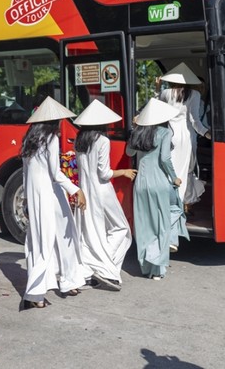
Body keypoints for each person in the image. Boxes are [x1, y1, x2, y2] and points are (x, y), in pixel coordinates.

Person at [21, 96, 87, 309]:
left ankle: (66, 280)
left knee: (42, 239)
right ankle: (35, 293)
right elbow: (55, 172)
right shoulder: (51, 138)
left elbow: (26, 172)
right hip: (49, 191)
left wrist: (25, 199)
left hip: (36, 193)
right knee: (55, 238)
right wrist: (76, 190)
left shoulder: (29, 138)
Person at [73, 99, 135, 291]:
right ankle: (104, 267)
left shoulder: (79, 140)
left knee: (90, 232)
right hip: (102, 191)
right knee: (122, 229)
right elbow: (104, 173)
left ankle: (91, 267)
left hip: (85, 190)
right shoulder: (102, 141)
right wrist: (124, 172)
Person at [126, 98, 189, 280]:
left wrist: (134, 130)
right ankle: (157, 270)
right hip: (159, 182)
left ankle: (145, 268)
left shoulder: (138, 133)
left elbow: (129, 153)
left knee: (144, 225)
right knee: (161, 224)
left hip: (140, 184)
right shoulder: (164, 132)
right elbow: (165, 159)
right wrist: (174, 177)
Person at [157, 62, 210, 215]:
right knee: (187, 171)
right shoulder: (194, 95)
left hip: (169, 135)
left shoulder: (165, 93)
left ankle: (171, 205)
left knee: (170, 172)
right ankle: (185, 206)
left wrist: (156, 88)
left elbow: (159, 112)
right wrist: (206, 133)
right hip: (186, 137)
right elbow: (195, 121)